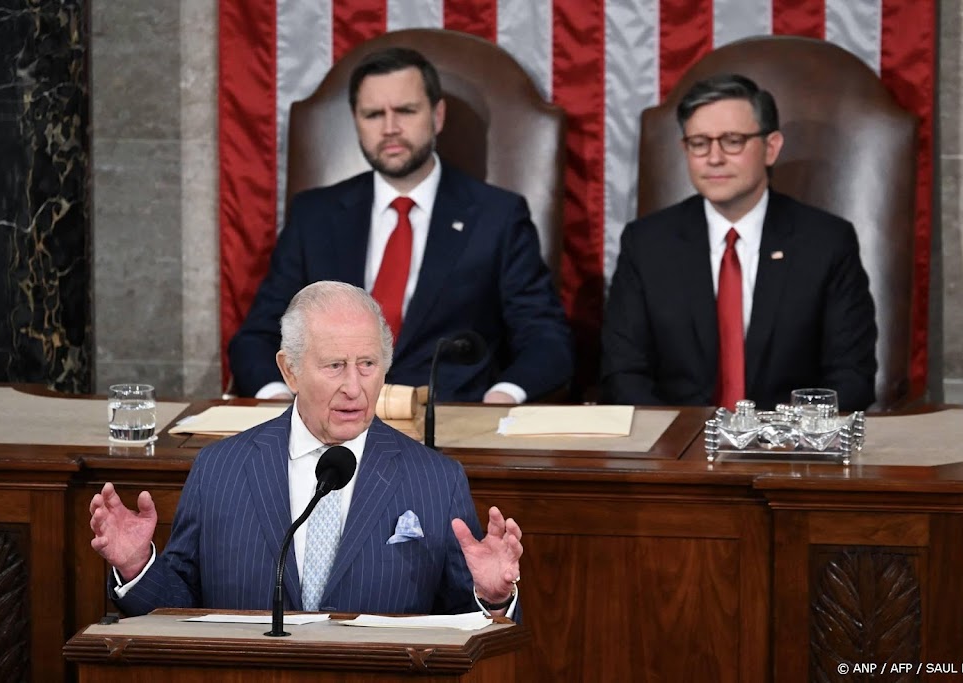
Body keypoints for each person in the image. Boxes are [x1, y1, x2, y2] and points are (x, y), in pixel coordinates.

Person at [90, 281, 523, 617]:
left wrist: (491, 596)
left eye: (368, 365)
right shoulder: (220, 469)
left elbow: (462, 630)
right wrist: (136, 567)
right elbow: (179, 611)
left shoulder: (436, 481)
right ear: (290, 371)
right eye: (335, 366)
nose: (354, 387)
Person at [229, 46, 572, 405]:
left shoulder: (497, 216)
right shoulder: (314, 215)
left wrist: (503, 396)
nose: (390, 128)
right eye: (374, 114)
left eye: (405, 111)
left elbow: (546, 338)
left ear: (437, 116)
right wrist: (279, 398)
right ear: (356, 121)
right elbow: (258, 335)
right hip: (328, 422)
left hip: (450, 424)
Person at [601, 74, 876, 411]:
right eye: (699, 143)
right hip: (676, 450)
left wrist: (780, 440)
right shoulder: (646, 244)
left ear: (771, 147)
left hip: (788, 451)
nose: (714, 158)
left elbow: (852, 377)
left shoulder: (826, 242)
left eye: (732, 141)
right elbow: (622, 374)